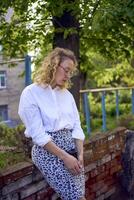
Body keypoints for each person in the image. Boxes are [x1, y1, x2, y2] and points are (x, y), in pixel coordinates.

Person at [18, 47, 86, 200]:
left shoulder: (67, 95)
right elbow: (38, 134)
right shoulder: (31, 93)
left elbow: (77, 126)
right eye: (66, 70)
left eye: (71, 72)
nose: (68, 76)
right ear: (54, 65)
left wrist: (80, 154)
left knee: (79, 194)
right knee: (76, 197)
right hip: (49, 152)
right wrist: (65, 157)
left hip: (73, 151)